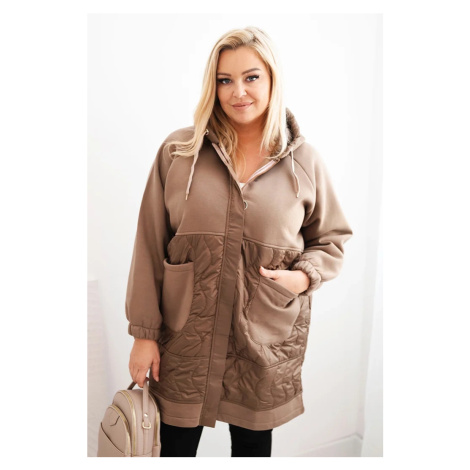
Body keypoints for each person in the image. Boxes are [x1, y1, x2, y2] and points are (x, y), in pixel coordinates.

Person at [125, 26, 353, 457]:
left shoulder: (304, 162)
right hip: (184, 338)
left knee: (252, 447)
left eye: (251, 77)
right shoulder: (179, 152)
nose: (238, 92)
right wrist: (143, 333)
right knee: (173, 448)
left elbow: (332, 239)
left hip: (263, 339)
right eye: (225, 80)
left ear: (272, 79)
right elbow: (150, 245)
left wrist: (303, 277)